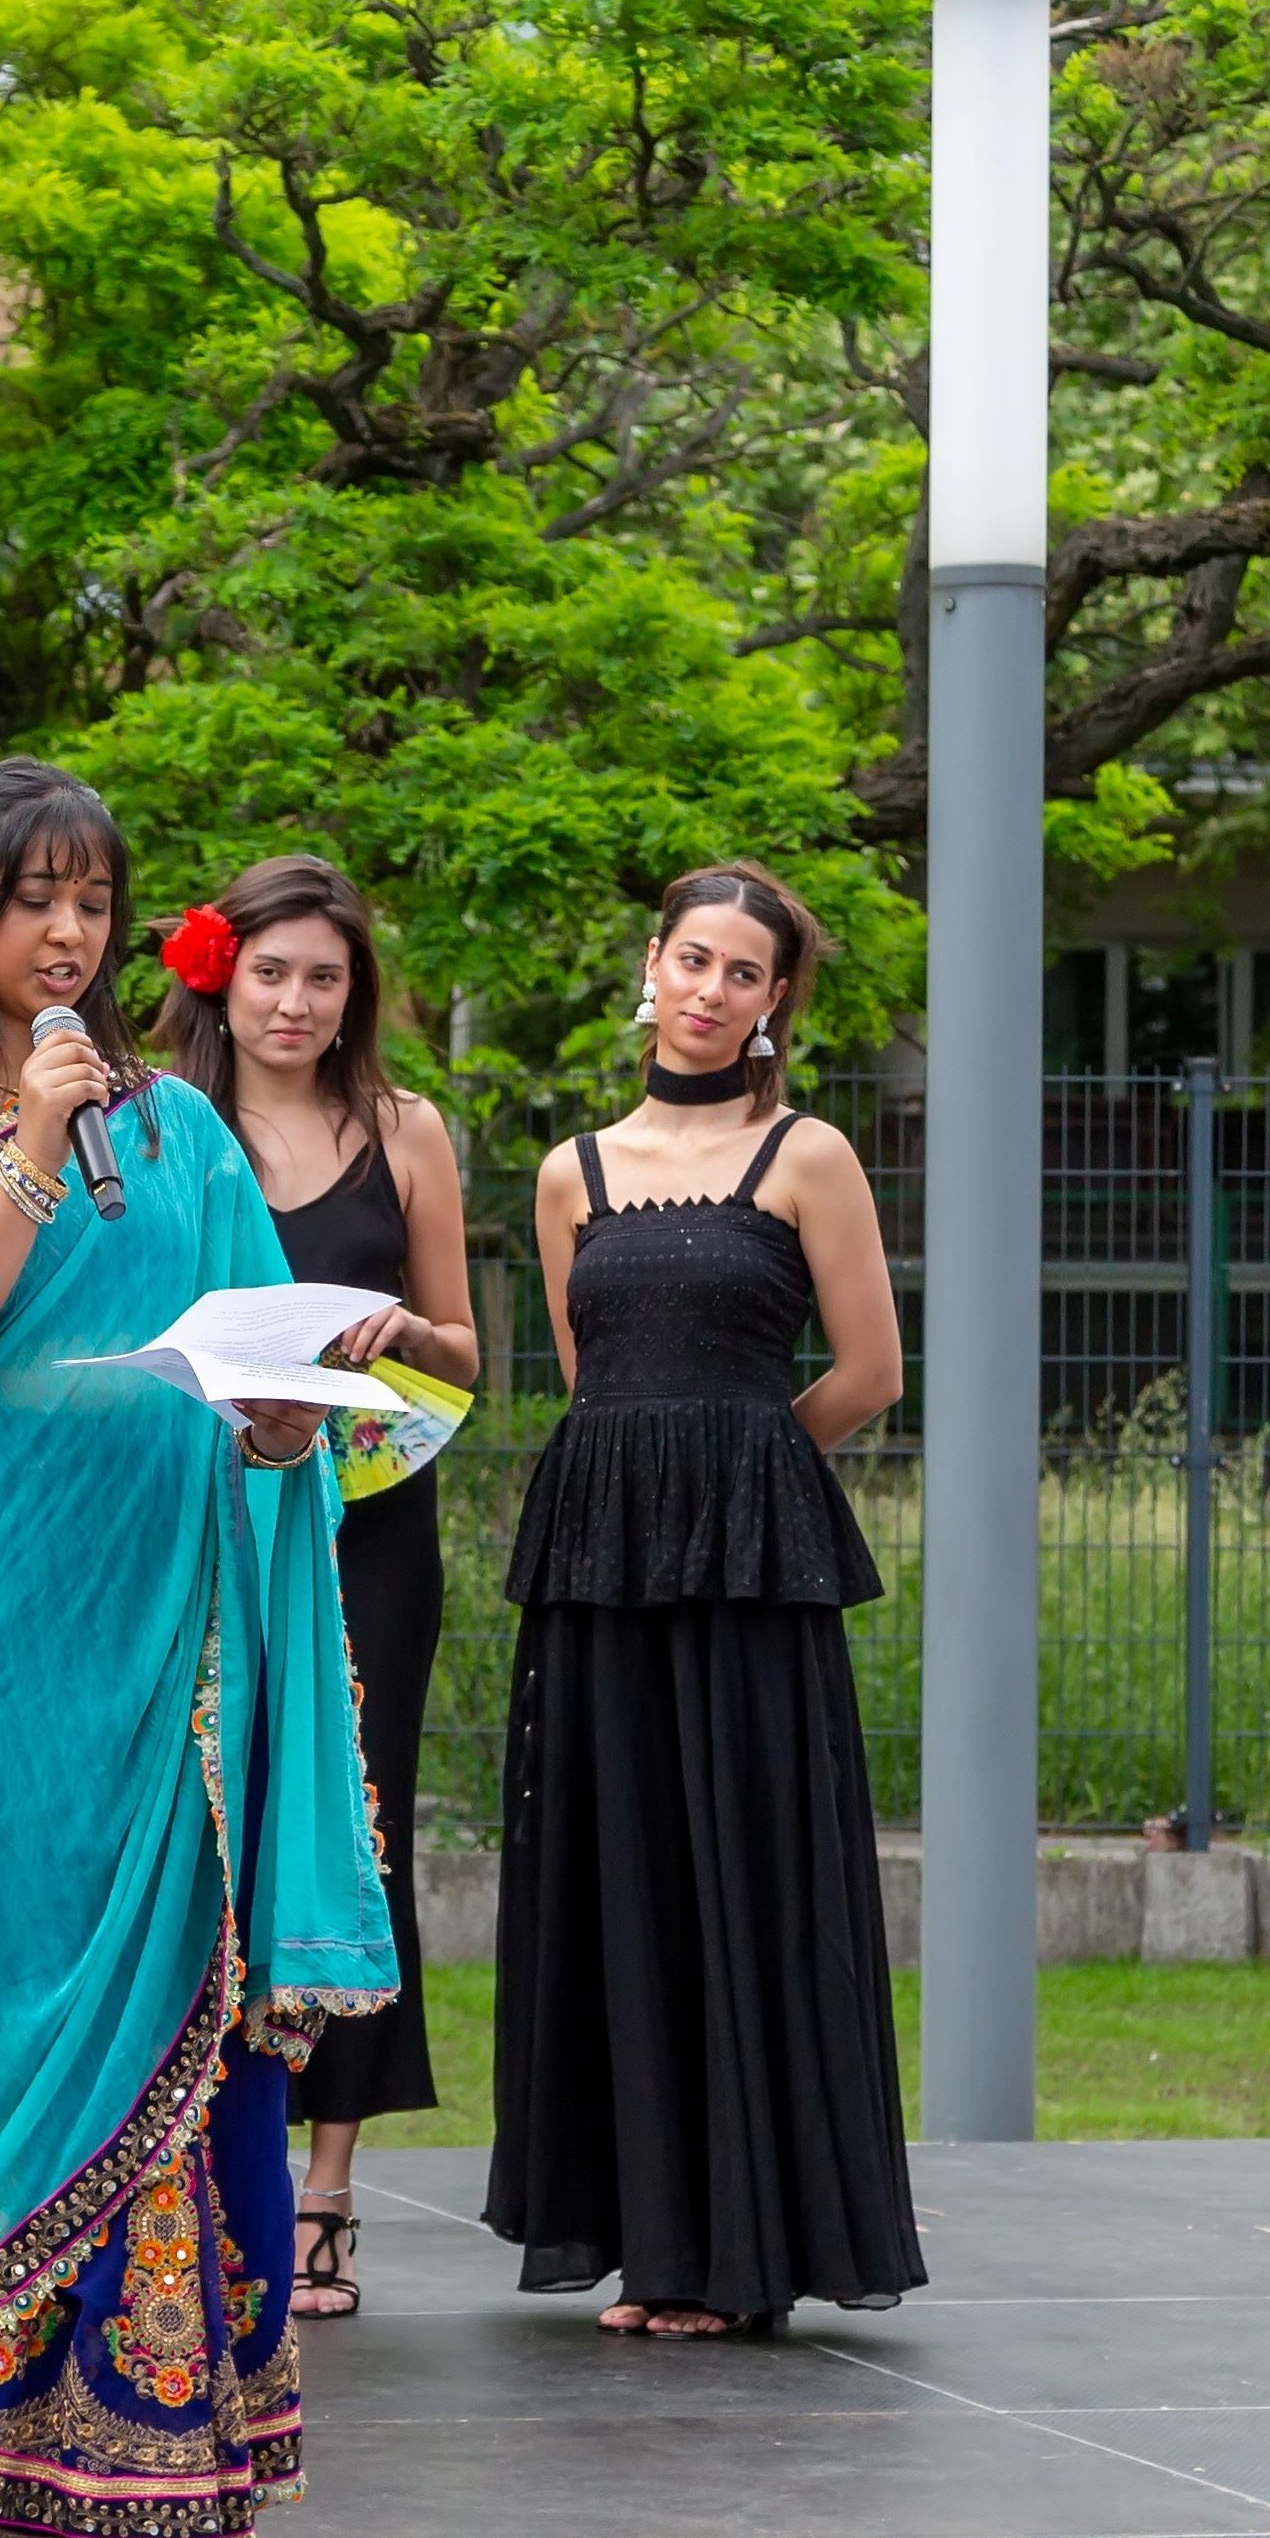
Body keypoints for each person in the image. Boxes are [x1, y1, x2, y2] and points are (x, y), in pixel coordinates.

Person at [0, 761, 394, 2538]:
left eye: (94, 901)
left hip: (140, 1654)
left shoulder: (183, 1135)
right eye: (32, 898)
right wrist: (26, 1153)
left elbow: (249, 1375)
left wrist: (279, 1425)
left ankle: (117, 2473)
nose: (68, 934)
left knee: (151, 2033)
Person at [485, 863, 921, 2339]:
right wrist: (663, 1475)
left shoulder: (809, 1155)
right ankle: (653, 2248)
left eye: (742, 972)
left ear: (773, 999)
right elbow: (588, 1376)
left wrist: (739, 1470)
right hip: (600, 1565)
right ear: (650, 966)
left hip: (747, 1568)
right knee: (619, 1881)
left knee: (747, 1884)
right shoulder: (570, 1172)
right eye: (691, 959)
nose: (709, 990)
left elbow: (868, 1372)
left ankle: (746, 2256)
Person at [150, 856, 474, 2322]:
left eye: (322, 977)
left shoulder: (406, 1129)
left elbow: (465, 1349)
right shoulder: (160, 1126)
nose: (293, 1002)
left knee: (355, 1824)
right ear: (218, 975)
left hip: (366, 1524)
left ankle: (328, 2185)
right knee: (202, 1827)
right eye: (269, 972)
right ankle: (199, 2165)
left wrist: (400, 1329)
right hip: (196, 1516)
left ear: (356, 992)